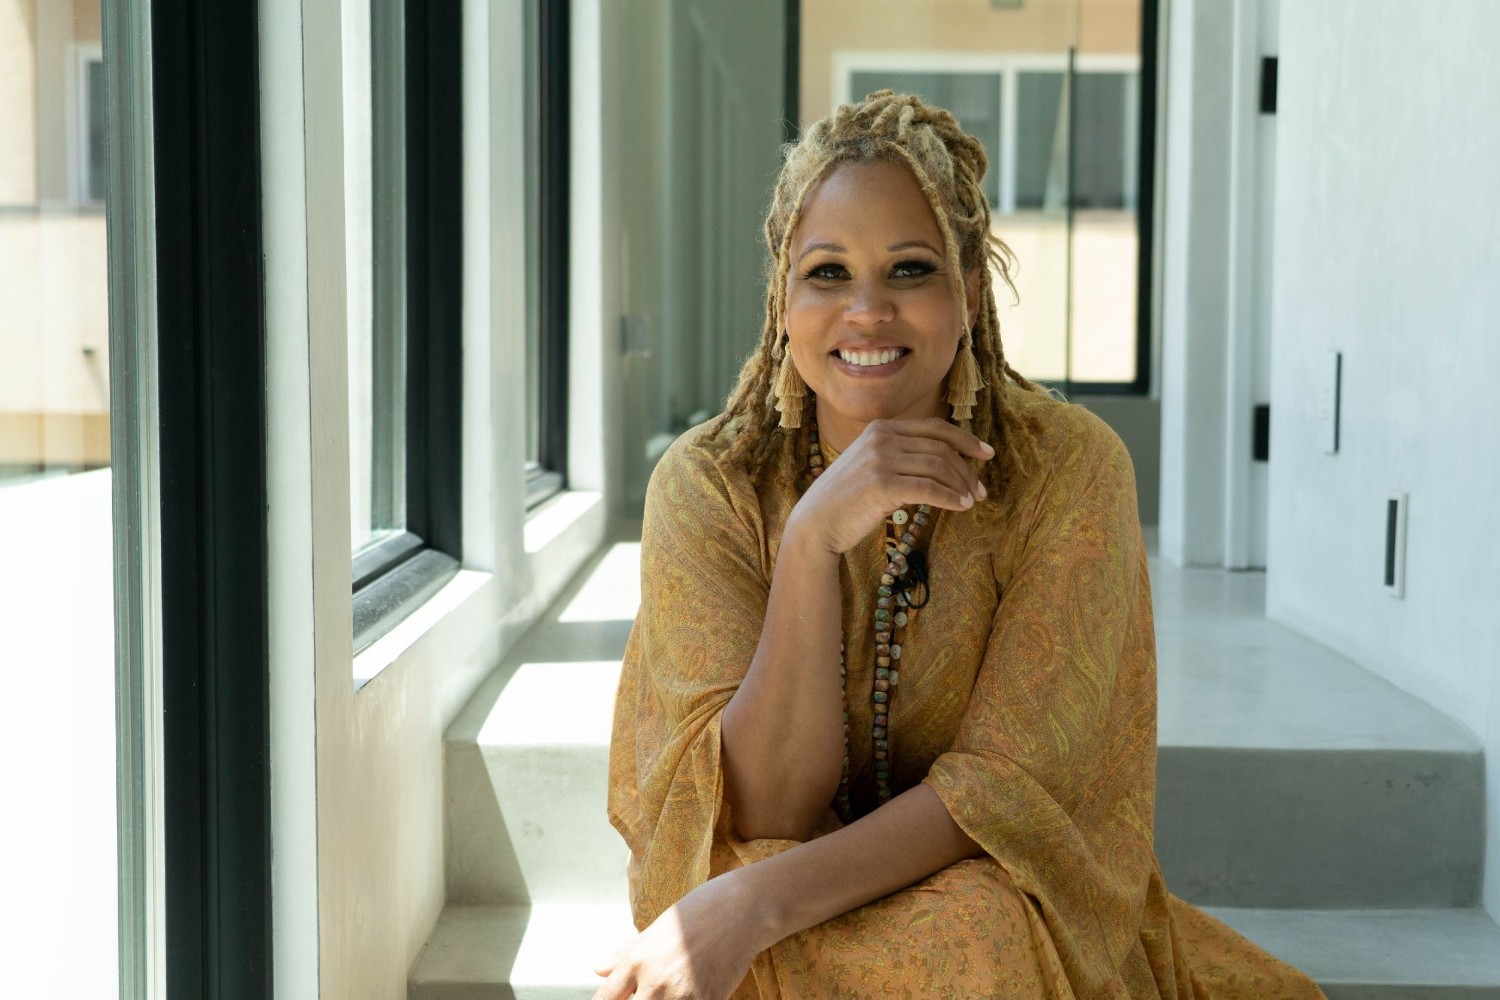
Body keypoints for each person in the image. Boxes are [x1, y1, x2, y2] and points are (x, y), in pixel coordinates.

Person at [597, 91, 1325, 1000]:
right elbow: (767, 808)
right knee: (734, 890)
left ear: (969, 291)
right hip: (780, 867)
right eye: (826, 272)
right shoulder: (710, 482)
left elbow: (1001, 795)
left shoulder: (1067, 470)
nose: (867, 311)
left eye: (910, 269)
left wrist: (750, 907)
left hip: (976, 887)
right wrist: (813, 540)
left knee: (971, 927)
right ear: (783, 295)